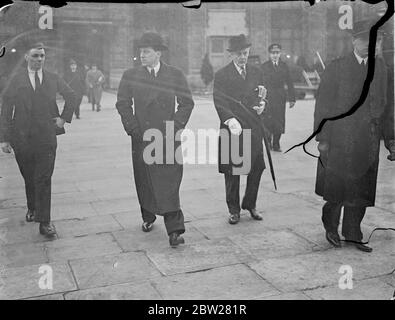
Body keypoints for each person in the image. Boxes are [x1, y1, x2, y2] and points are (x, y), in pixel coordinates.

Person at [314, 20, 395, 253]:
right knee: (337, 188)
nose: (373, 45)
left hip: (368, 142)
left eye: (378, 40)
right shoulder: (337, 67)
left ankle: (353, 232)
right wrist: (324, 138)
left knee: (362, 189)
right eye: (367, 40)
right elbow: (323, 105)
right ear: (354, 41)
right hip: (340, 141)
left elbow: (388, 107)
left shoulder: (382, 69)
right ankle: (331, 227)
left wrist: (391, 140)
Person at [115, 32, 194, 247]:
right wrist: (132, 127)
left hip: (167, 136)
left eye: (147, 52)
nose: (142, 55)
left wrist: (175, 126)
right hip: (141, 136)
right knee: (145, 179)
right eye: (141, 52)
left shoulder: (175, 74)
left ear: (158, 53)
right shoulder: (131, 75)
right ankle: (148, 216)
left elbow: (187, 103)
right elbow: (122, 103)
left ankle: (175, 230)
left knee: (169, 182)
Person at [0, 42, 76, 237]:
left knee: (43, 178)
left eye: (42, 56)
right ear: (26, 57)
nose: (39, 59)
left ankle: (45, 222)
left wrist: (63, 118)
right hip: (22, 138)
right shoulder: (15, 80)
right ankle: (32, 207)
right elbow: (6, 110)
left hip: (46, 137)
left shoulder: (53, 78)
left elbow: (71, 95)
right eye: (35, 56)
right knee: (29, 176)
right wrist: (4, 138)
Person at [213, 34, 266, 225]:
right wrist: (229, 119)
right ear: (231, 55)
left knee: (257, 167)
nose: (242, 57)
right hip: (232, 128)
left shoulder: (256, 71)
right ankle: (233, 209)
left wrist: (262, 105)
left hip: (253, 126)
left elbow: (261, 94)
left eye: (245, 53)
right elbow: (219, 100)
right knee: (233, 171)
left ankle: (250, 204)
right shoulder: (222, 75)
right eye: (238, 54)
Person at [261, 44, 296, 152]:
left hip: (280, 97)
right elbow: (260, 83)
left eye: (277, 53)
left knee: (279, 120)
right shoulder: (264, 66)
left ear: (280, 53)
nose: (275, 55)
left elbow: (290, 82)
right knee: (267, 120)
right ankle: (268, 141)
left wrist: (292, 98)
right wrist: (259, 98)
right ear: (269, 54)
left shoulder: (284, 66)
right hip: (268, 97)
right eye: (273, 53)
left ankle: (276, 143)